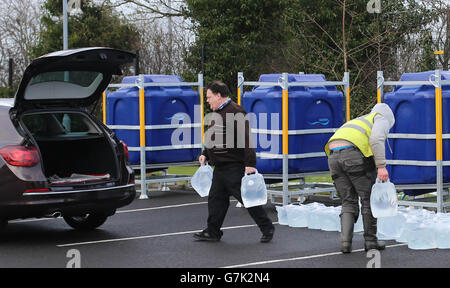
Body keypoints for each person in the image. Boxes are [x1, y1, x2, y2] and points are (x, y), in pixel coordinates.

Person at [194, 81, 275, 243]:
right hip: (220, 167)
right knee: (216, 200)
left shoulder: (235, 111)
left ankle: (267, 228)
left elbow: (246, 139)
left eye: (209, 97)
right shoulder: (217, 112)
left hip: (233, 167)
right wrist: (206, 154)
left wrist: (250, 164)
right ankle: (213, 231)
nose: (207, 100)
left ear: (218, 95)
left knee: (247, 199)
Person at [324, 103, 395, 253]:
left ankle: (345, 243)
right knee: (368, 198)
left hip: (333, 157)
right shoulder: (380, 118)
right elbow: (376, 139)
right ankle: (370, 241)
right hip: (353, 156)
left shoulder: (359, 120)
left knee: (348, 200)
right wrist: (381, 165)